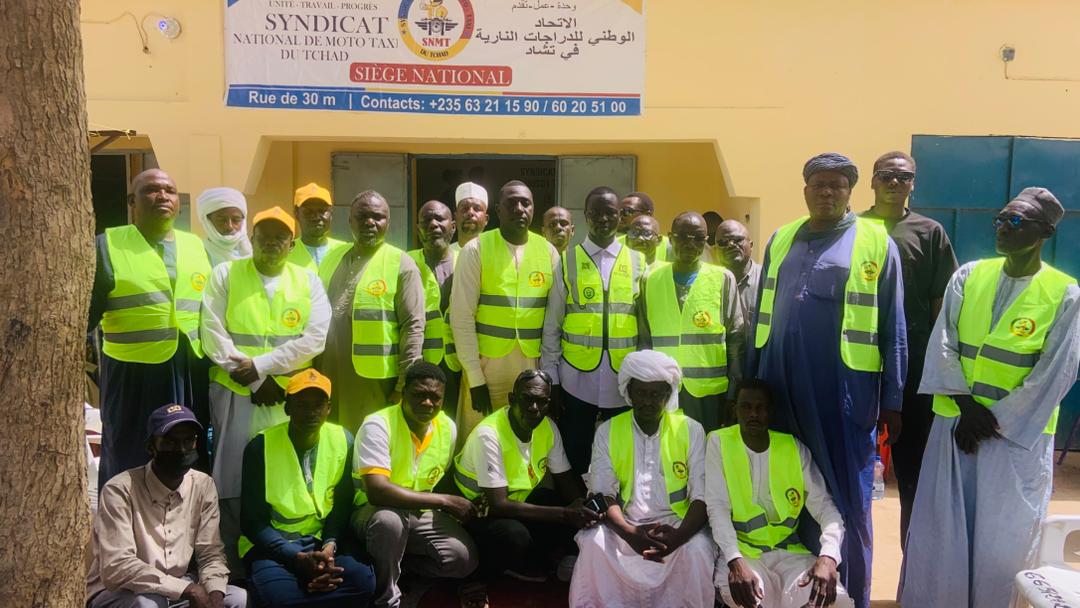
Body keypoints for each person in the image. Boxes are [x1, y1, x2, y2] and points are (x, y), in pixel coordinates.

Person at [900, 188, 1080, 608]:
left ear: (1045, 232)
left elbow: (1056, 372)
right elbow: (943, 343)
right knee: (943, 532)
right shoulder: (969, 276)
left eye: (1016, 221)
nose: (1003, 228)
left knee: (1003, 542)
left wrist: (992, 421)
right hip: (955, 427)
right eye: (1001, 219)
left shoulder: (1065, 294)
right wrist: (966, 409)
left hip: (1015, 441)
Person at [748, 153, 906, 608]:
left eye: (838, 185)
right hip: (780, 384)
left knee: (845, 492)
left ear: (851, 191)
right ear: (805, 190)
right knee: (786, 487)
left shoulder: (876, 242)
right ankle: (793, 590)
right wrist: (751, 381)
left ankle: (850, 593)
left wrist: (893, 399)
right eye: (819, 184)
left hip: (842, 391)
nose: (828, 192)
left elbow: (893, 327)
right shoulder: (781, 238)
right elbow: (761, 314)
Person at [200, 205, 331, 572]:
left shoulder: (308, 281)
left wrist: (262, 367)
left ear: (292, 244)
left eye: (280, 237)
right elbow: (212, 334)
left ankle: (281, 558)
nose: (272, 243)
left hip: (287, 398)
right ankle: (230, 564)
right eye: (264, 236)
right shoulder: (226, 274)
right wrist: (256, 379)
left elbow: (315, 339)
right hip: (236, 393)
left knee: (282, 476)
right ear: (251, 239)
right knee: (231, 479)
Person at [858, 151, 958, 551]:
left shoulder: (929, 233)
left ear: (913, 183)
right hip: (858, 365)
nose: (894, 183)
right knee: (852, 469)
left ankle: (913, 567)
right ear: (872, 181)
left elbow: (941, 306)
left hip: (913, 371)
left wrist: (936, 368)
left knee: (914, 474)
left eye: (903, 177)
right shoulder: (853, 228)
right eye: (886, 175)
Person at [88, 169, 213, 488]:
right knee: (129, 450)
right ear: (132, 202)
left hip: (187, 367)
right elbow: (86, 315)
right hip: (132, 371)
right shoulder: (108, 245)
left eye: (169, 190)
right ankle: (124, 514)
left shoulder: (196, 246)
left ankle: (180, 515)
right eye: (151, 190)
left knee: (184, 449)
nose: (162, 196)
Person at [570, 350, 718, 608]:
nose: (648, 401)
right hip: (623, 525)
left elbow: (702, 495)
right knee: (594, 542)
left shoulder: (691, 430)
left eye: (656, 394)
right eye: (641, 393)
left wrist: (679, 537)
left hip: (677, 526)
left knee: (696, 550)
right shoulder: (608, 430)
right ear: (629, 392)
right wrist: (630, 534)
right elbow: (602, 493)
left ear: (668, 395)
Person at [707, 379, 852, 608]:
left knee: (835, 601)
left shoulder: (793, 448)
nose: (753, 414)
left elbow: (826, 508)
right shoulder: (719, 442)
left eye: (761, 408)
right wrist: (735, 561)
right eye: (746, 407)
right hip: (743, 555)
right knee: (746, 597)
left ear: (771, 411)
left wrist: (828, 557)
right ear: (735, 410)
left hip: (791, 555)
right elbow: (718, 509)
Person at [87, 404, 247, 608]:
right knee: (148, 604)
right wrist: (187, 589)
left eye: (188, 441)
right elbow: (118, 566)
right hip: (120, 592)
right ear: (151, 447)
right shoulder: (120, 490)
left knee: (237, 598)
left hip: (177, 588)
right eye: (170, 442)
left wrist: (215, 593)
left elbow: (210, 553)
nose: (181, 449)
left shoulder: (203, 485)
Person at [239, 370, 376, 607]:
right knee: (278, 599)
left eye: (318, 405)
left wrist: (329, 547)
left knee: (364, 582)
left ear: (328, 408)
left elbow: (342, 503)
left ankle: (312, 587)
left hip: (323, 542)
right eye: (301, 405)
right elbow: (252, 523)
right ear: (287, 408)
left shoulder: (343, 439)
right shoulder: (260, 446)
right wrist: (296, 558)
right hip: (274, 547)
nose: (311, 412)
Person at [351, 361, 479, 608]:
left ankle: (400, 569)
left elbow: (440, 475)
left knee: (463, 560)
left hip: (418, 511)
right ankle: (385, 600)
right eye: (419, 394)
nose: (428, 403)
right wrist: (445, 501)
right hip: (372, 510)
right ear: (404, 392)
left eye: (435, 397)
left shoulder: (447, 428)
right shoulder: (378, 424)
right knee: (389, 523)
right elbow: (377, 491)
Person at [454, 369, 599, 582]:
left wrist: (584, 510)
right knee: (514, 536)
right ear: (512, 399)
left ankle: (557, 555)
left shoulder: (547, 427)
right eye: (527, 399)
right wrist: (565, 514)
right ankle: (503, 568)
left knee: (564, 503)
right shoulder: (489, 434)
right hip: (479, 511)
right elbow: (498, 505)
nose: (534, 408)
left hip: (518, 502)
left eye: (541, 402)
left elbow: (565, 479)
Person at [542, 186, 645, 474]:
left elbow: (643, 325)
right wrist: (552, 379)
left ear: (620, 216)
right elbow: (552, 326)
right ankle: (577, 503)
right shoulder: (567, 262)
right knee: (576, 454)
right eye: (596, 213)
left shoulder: (637, 261)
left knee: (620, 456)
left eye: (610, 212)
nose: (603, 218)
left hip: (623, 382)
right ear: (586, 216)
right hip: (576, 381)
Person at [449, 180, 561, 441]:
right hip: (486, 366)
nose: (519, 208)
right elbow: (462, 317)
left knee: (527, 436)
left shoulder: (548, 251)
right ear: (498, 210)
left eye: (526, 203)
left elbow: (554, 319)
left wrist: (550, 373)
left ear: (533, 209)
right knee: (479, 436)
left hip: (533, 363)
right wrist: (475, 377)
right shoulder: (475, 250)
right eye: (511, 203)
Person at [317, 190, 425, 433]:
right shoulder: (332, 257)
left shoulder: (401, 263)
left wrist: (403, 384)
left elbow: (413, 327)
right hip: (328, 374)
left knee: (369, 441)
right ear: (350, 220)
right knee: (333, 441)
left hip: (376, 382)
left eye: (377, 217)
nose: (369, 222)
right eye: (362, 216)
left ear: (388, 221)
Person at [640, 211, 744, 432]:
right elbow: (645, 339)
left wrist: (733, 393)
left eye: (697, 238)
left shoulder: (723, 279)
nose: (690, 244)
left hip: (709, 394)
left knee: (706, 448)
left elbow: (736, 338)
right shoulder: (651, 279)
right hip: (663, 389)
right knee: (667, 449)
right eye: (682, 237)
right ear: (671, 238)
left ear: (706, 241)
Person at [406, 200, 462, 419]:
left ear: (453, 226)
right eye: (426, 220)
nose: (433, 225)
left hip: (458, 364)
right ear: (418, 228)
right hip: (419, 363)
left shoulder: (467, 261)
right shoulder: (406, 262)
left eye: (439, 219)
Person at [714, 219, 762, 337]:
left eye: (738, 240)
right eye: (723, 242)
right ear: (715, 250)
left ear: (751, 245)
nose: (731, 245)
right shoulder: (709, 282)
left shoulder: (766, 279)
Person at [288, 182, 350, 271]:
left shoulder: (344, 251)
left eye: (322, 211)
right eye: (308, 212)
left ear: (331, 213)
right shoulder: (286, 253)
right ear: (296, 214)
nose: (316, 217)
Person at [196, 187, 252, 268]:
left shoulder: (253, 255)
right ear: (207, 221)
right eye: (221, 220)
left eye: (236, 220)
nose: (230, 226)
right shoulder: (196, 254)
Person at [450, 182, 489, 254]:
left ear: (486, 219)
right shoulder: (444, 255)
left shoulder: (496, 252)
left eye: (477, 209)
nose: (470, 213)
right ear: (455, 217)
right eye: (464, 208)